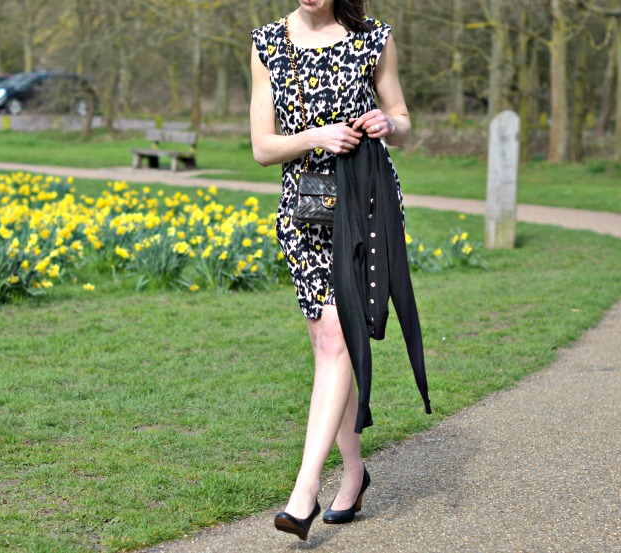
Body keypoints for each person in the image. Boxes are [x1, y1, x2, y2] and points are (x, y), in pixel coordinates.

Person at [250, 0, 413, 541]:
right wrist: (316, 137)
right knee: (329, 343)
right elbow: (262, 146)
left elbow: (405, 123)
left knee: (337, 342)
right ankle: (356, 471)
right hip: (304, 211)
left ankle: (304, 492)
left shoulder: (374, 37)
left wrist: (387, 122)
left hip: (365, 203)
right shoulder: (267, 43)